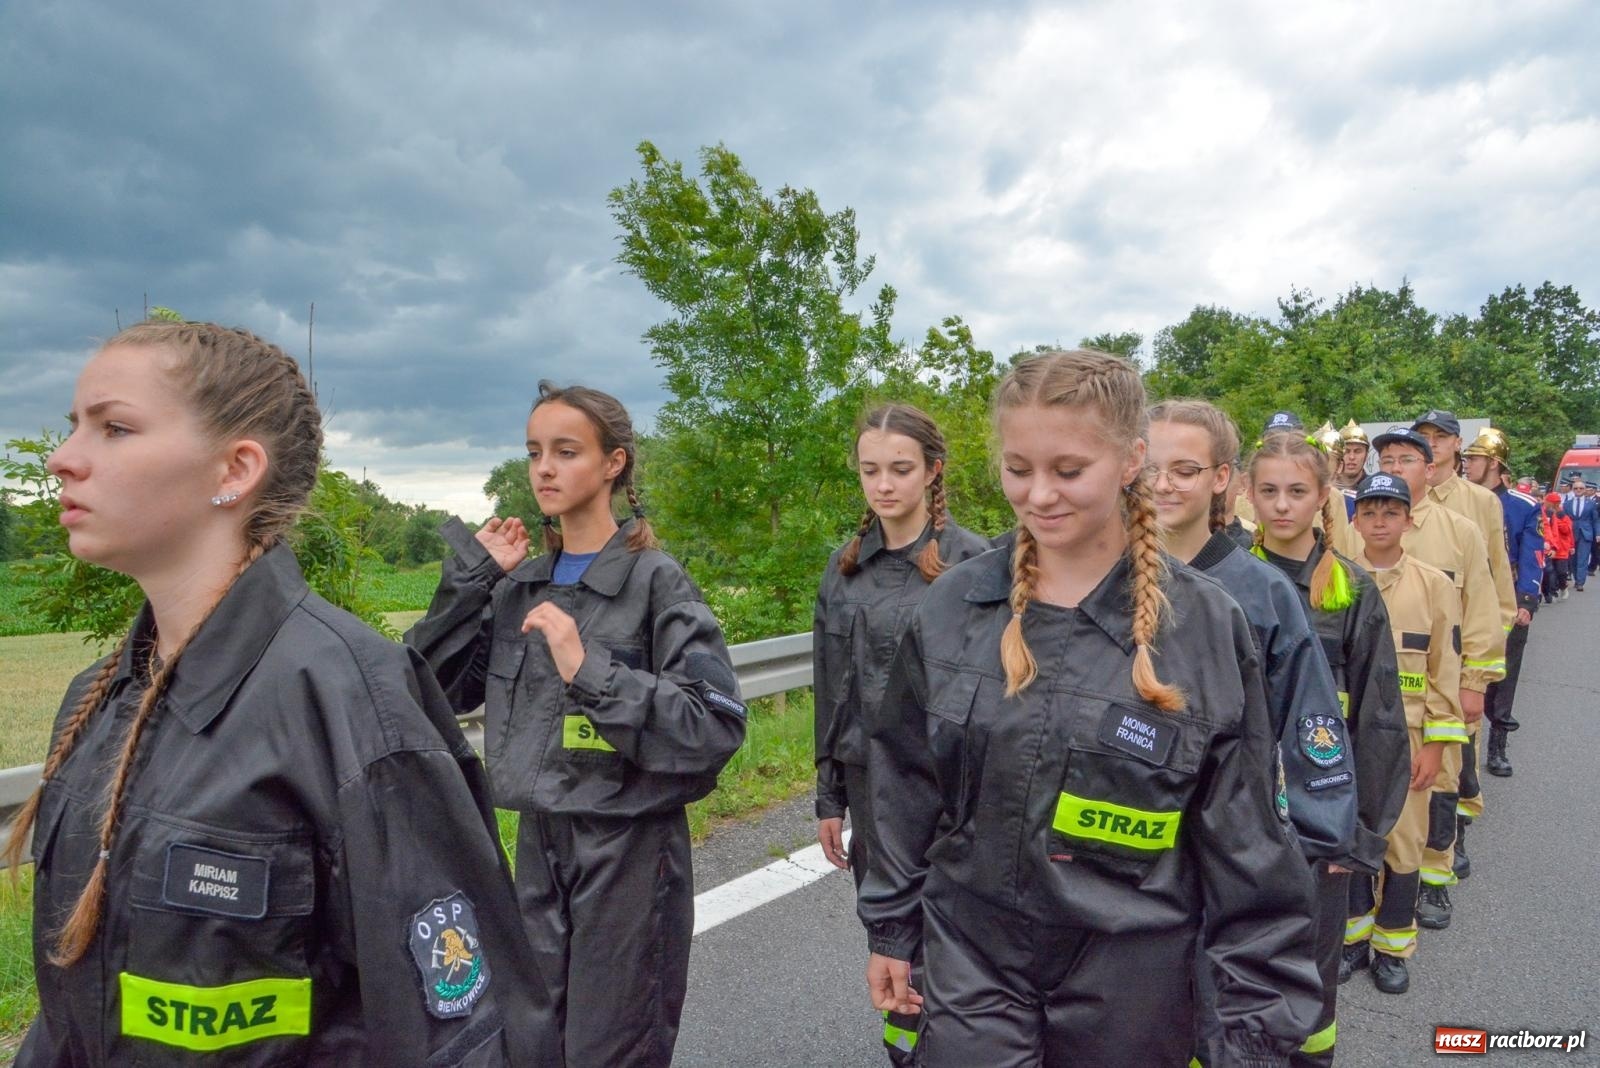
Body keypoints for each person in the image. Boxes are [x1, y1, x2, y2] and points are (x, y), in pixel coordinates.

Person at [8, 322, 555, 1066]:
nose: (64, 458)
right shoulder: (96, 702)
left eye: (114, 427)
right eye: (75, 426)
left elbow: (464, 1038)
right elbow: (75, 1008)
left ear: (235, 469)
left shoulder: (353, 699)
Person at [859, 351, 1320, 1068]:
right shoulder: (952, 606)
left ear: (1132, 459)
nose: (1039, 495)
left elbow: (1250, 846)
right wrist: (890, 928)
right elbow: (899, 784)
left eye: (1068, 471)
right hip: (972, 959)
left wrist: (1254, 1025)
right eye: (1018, 469)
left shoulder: (1204, 628)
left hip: (1135, 978)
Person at [407, 381, 747, 1067]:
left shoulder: (655, 581)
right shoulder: (519, 587)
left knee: (610, 1050)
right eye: (535, 452)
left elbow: (711, 729)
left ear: (613, 464)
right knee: (533, 1045)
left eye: (566, 451)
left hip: (629, 853)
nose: (544, 469)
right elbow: (424, 690)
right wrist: (471, 580)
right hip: (538, 847)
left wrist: (589, 669)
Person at [1149, 402, 1364, 1068]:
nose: (1164, 484)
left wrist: (1317, 838)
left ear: (1222, 480)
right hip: (1133, 854)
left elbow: (1312, 725)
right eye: (1152, 468)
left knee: (1234, 1022)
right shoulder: (1104, 579)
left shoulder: (1263, 592)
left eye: (1185, 469)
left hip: (1235, 851)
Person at [812, 404, 989, 1062]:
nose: (884, 485)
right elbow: (830, 684)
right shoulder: (846, 568)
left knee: (959, 940)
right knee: (892, 940)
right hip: (867, 788)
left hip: (955, 788)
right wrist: (829, 794)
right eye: (870, 471)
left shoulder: (974, 563)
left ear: (933, 471)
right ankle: (905, 1051)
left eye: (900, 469)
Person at [1245, 432, 1412, 1062]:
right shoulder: (1227, 578)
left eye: (1297, 491)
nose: (1281, 505)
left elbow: (1380, 719)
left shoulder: (1351, 589)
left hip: (1319, 822)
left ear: (1323, 499)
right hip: (1238, 812)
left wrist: (1359, 833)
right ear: (1247, 495)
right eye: (1268, 491)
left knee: (1311, 974)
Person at [1372, 428, 1502, 931]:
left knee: (1440, 786)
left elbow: (1482, 609)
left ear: (1428, 470)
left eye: (1407, 459)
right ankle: (1379, 890)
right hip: (1382, 694)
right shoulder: (1361, 525)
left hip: (1441, 690)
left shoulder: (1460, 530)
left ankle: (1433, 883)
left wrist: (1475, 680)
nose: (1395, 467)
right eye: (1387, 459)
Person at [1344, 473, 1468, 995]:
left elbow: (1446, 671)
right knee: (1349, 839)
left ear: (1408, 520)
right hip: (1349, 739)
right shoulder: (1337, 581)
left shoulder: (1433, 585)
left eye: (1390, 512)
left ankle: (1392, 946)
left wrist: (1437, 746)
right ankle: (1352, 939)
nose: (1379, 521)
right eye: (1370, 511)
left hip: (1413, 740)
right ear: (1356, 520)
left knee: (1405, 845)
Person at [1412, 411, 1514, 881]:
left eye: (1440, 437)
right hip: (1406, 660)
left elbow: (1493, 581)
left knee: (1456, 765)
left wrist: (1481, 671)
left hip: (1456, 660)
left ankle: (1449, 850)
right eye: (1423, 437)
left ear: (1456, 444)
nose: (1432, 445)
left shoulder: (1479, 503)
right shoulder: (1391, 498)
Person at [1462, 428, 1543, 779]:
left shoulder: (1523, 506)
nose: (1466, 464)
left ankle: (1497, 746)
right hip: (1467, 600)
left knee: (1502, 676)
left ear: (1493, 463)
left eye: (1474, 459)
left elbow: (1532, 554)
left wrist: (1527, 600)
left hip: (1505, 600)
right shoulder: (1460, 500)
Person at [1564, 478, 1595, 590]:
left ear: (1585, 489)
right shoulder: (1567, 504)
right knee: (1573, 558)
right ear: (1572, 489)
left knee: (1583, 558)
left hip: (1586, 533)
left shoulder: (1591, 503)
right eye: (1576, 488)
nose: (1578, 490)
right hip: (1571, 533)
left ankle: (1580, 582)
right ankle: (1577, 579)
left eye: (1581, 488)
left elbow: (1595, 520)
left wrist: (1598, 534)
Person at [1541, 494, 1573, 602]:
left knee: (1561, 572)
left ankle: (1563, 587)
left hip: (1562, 549)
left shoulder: (1562, 515)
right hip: (1551, 548)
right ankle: (1553, 592)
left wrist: (1557, 521)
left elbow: (1568, 531)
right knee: (1551, 572)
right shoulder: (1544, 512)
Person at [1335, 420, 1371, 501]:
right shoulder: (1326, 489)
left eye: (1357, 451)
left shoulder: (1373, 488)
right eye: (1346, 451)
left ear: (1366, 455)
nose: (1351, 457)